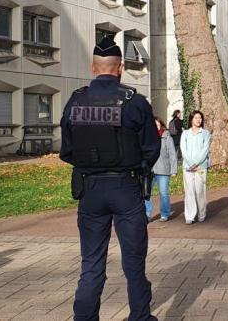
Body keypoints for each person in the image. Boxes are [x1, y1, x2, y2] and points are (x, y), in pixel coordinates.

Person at [60, 37, 160, 321]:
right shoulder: (135, 102)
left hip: (89, 190)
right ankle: (140, 317)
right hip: (125, 188)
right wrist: (136, 167)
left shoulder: (74, 101)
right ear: (121, 68)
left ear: (93, 67)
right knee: (133, 262)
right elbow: (152, 148)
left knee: (91, 263)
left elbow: (67, 150)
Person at [180, 110, 211, 225]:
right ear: (191, 119)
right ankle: (190, 215)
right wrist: (190, 162)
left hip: (200, 167)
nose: (199, 120)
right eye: (196, 118)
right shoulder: (185, 134)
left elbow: (205, 150)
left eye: (200, 118)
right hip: (187, 166)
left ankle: (202, 213)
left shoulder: (205, 133)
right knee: (189, 191)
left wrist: (196, 163)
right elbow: (183, 149)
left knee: (200, 191)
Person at [145, 117, 178, 221]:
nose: (155, 127)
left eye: (157, 125)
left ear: (161, 125)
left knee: (163, 192)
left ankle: (164, 213)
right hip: (149, 170)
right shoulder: (146, 137)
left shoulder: (167, 137)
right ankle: (147, 214)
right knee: (146, 193)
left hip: (163, 170)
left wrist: (174, 170)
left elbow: (172, 154)